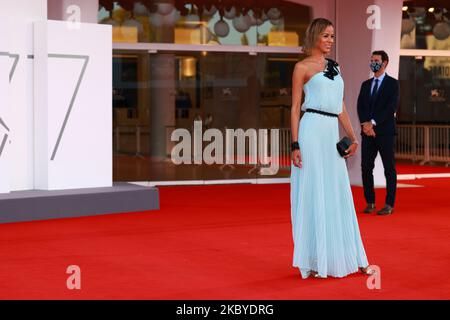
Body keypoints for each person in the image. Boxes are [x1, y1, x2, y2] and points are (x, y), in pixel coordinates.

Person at [290, 18, 373, 279]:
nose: (330, 41)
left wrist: (353, 135)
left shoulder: (335, 68)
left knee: (338, 191)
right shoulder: (301, 67)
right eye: (326, 36)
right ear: (314, 35)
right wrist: (295, 144)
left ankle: (350, 256)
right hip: (311, 130)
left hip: (330, 133)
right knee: (314, 191)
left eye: (333, 36)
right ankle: (315, 259)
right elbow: (294, 108)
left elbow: (341, 107)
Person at [357, 51, 400, 216]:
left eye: (376, 60)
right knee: (366, 167)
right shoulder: (366, 84)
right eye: (371, 60)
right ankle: (370, 202)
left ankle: (389, 203)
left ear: (385, 63)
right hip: (367, 133)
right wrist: (365, 125)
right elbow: (360, 106)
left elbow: (391, 108)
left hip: (385, 133)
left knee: (389, 168)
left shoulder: (393, 84)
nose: (373, 63)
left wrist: (373, 123)